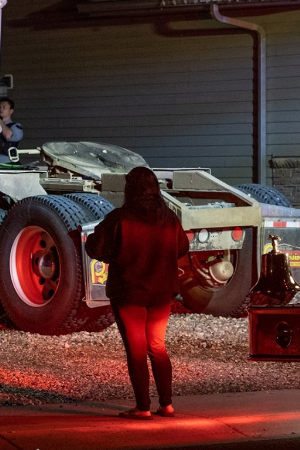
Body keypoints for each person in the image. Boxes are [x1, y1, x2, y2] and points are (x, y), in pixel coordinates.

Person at [85, 166, 189, 420]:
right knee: (157, 345)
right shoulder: (169, 217)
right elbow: (182, 247)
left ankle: (142, 407)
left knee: (136, 348)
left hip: (129, 291)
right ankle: (167, 405)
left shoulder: (120, 218)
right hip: (162, 292)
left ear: (129, 188)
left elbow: (95, 247)